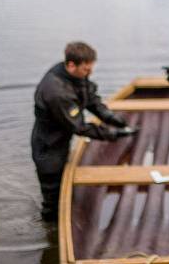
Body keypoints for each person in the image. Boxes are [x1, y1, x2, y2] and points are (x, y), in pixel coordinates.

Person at [31, 42, 136, 220]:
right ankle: (51, 227)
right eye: (86, 70)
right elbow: (79, 127)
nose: (90, 73)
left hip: (61, 138)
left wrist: (112, 118)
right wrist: (113, 134)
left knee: (63, 187)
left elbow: (90, 98)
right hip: (48, 147)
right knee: (52, 197)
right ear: (72, 65)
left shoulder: (73, 74)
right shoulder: (57, 92)